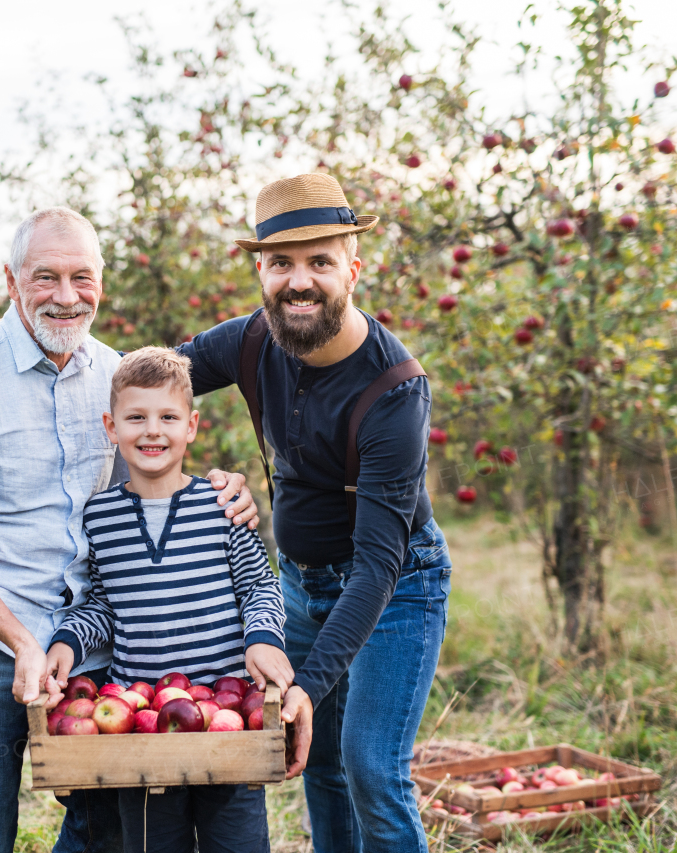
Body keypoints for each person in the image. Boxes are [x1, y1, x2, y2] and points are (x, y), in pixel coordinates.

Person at [0, 207, 259, 853]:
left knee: (108, 828)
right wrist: (19, 640)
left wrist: (222, 489)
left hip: (89, 633)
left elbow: (156, 453)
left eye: (81, 277)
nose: (66, 297)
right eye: (45, 278)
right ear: (11, 282)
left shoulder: (112, 373)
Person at [177, 173, 453, 853]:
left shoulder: (393, 388)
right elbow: (138, 382)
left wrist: (310, 682)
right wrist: (51, 356)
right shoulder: (248, 343)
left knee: (369, 766)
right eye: (281, 264)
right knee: (317, 764)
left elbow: (378, 565)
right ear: (260, 271)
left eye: (320, 262)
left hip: (393, 588)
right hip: (300, 583)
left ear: (352, 270)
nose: (299, 282)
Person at [44, 346, 295, 853]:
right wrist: (67, 643)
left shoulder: (222, 505)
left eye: (168, 417)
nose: (152, 431)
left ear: (192, 426)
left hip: (229, 723)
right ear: (111, 427)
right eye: (135, 417)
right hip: (141, 727)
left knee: (236, 844)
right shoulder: (100, 517)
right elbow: (102, 607)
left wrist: (264, 639)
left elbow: (259, 586)